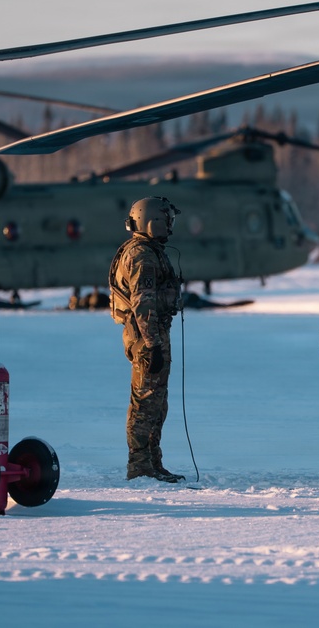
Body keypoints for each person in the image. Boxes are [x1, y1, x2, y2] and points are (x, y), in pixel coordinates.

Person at [108, 196, 184, 483]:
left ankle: (153, 463)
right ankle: (139, 466)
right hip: (146, 337)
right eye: (167, 220)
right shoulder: (142, 256)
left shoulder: (149, 251)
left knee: (157, 402)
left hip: (153, 334)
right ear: (153, 222)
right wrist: (152, 345)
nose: (170, 226)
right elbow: (144, 303)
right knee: (145, 402)